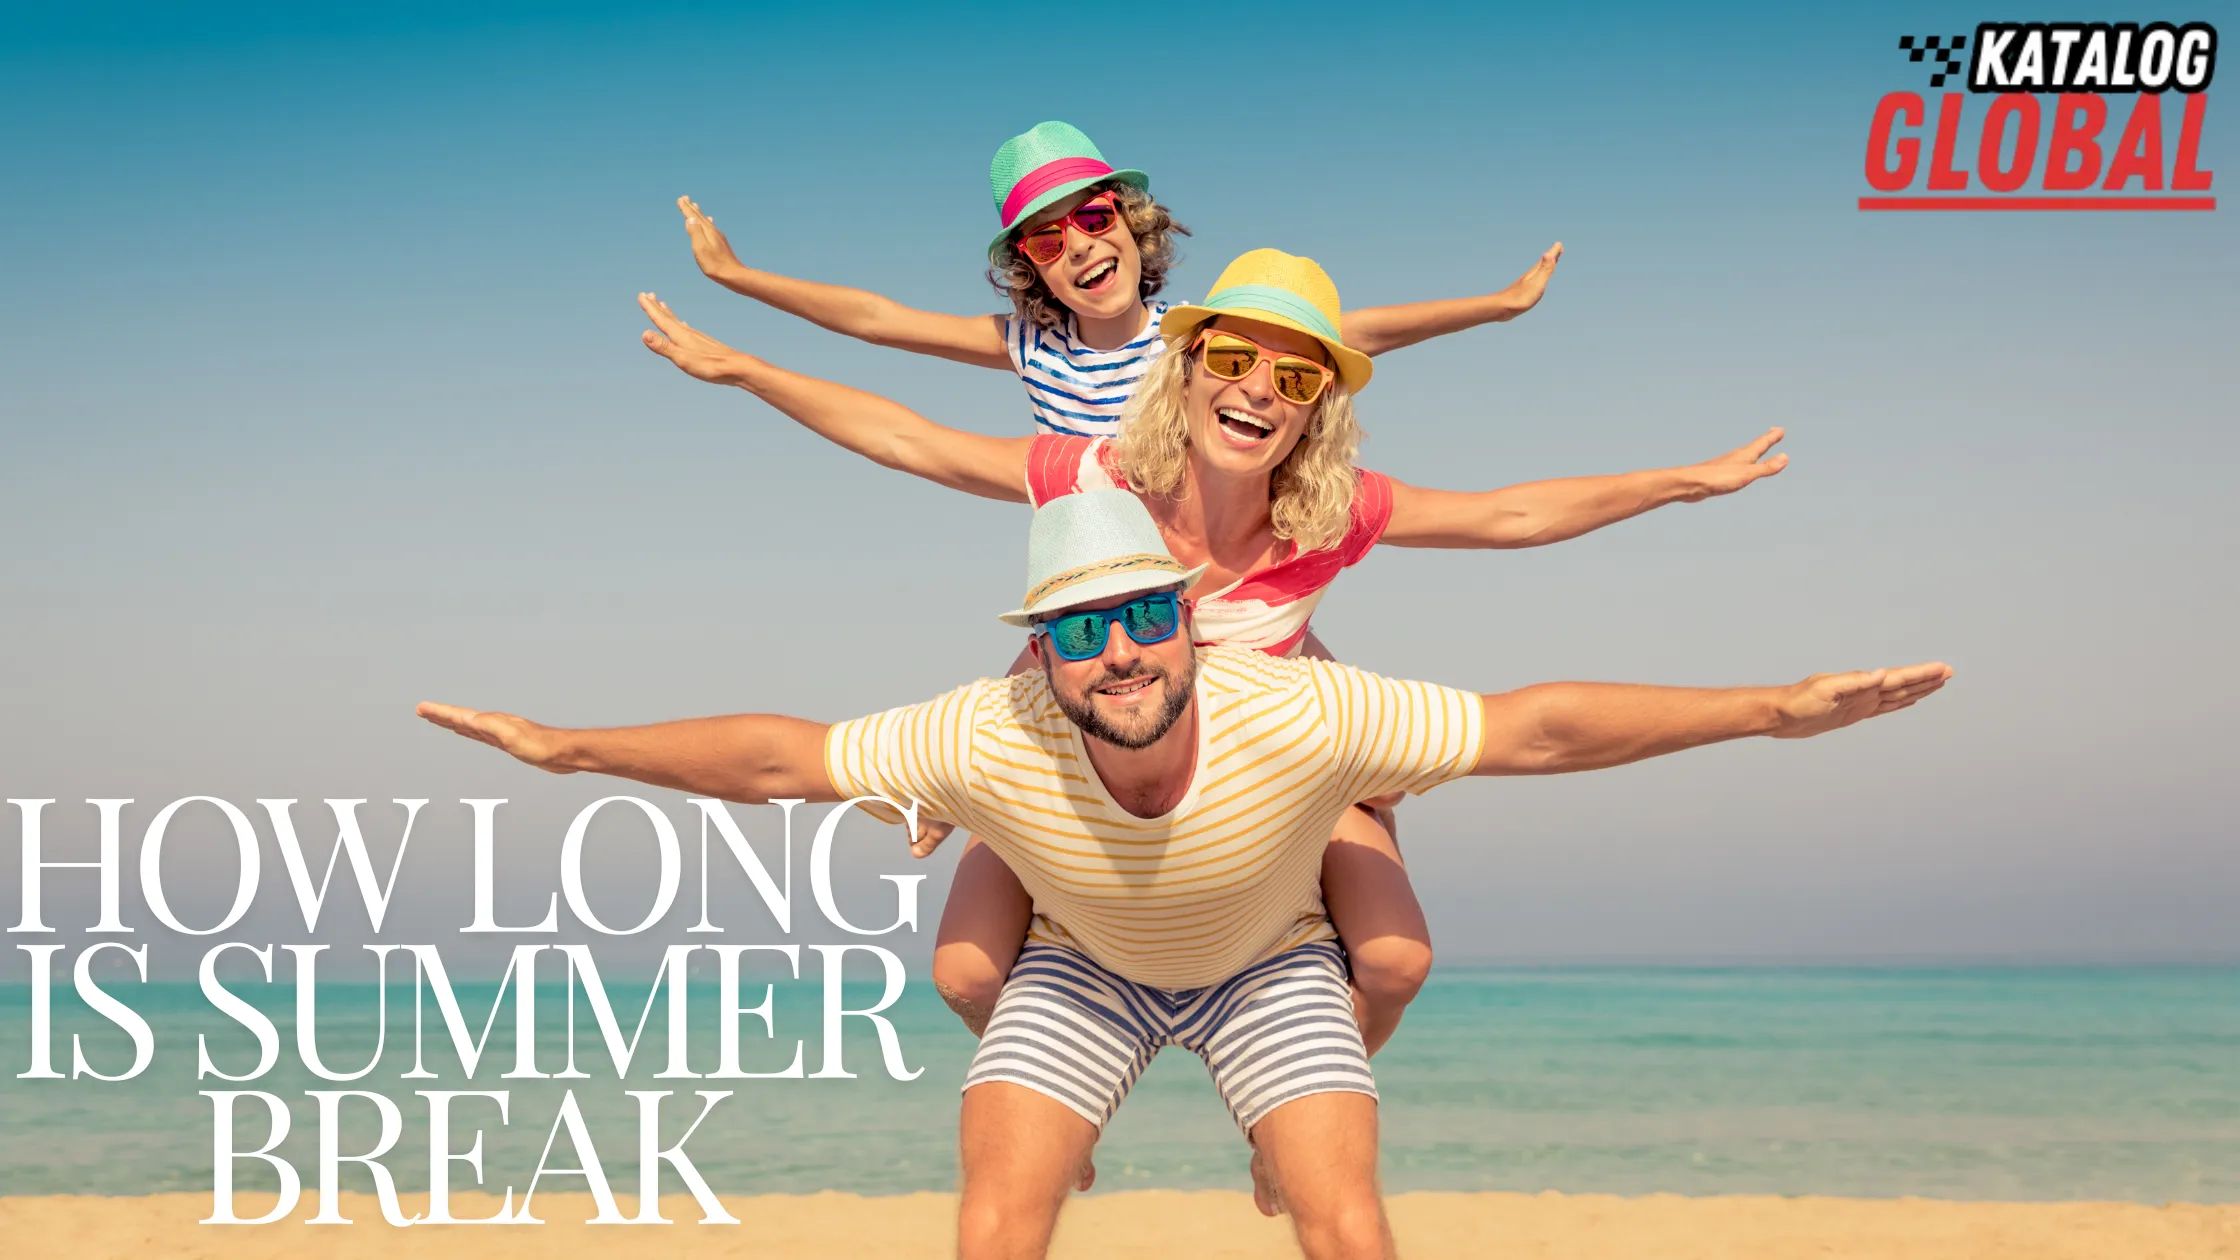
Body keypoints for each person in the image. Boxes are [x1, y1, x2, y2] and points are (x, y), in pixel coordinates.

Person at [416, 489, 1952, 1260]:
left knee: (1342, 1227)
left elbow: (1532, 730)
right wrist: (567, 751)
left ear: (1185, 616)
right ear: (1040, 654)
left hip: (1271, 960)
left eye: (1144, 616)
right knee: (996, 1227)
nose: (1121, 653)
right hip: (1083, 970)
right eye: (1078, 631)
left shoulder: (1299, 707)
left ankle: (1262, 1131)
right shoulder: (990, 729)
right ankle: (1070, 1126)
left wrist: (1770, 709)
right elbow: (780, 759)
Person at [634, 248, 1791, 1062]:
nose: (1258, 392)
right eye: (1235, 359)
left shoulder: (1329, 510)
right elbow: (907, 439)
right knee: (964, 977)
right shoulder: (1095, 479)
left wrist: (1684, 480)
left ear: (1316, 410)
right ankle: (1056, 1071)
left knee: (1392, 961)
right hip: (1100, 745)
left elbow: (1511, 518)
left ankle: (1330, 1077)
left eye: (1295, 379)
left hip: (1278, 757)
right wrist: (746, 370)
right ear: (1187, 368)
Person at [674, 120, 1564, 437]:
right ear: (1030, 269)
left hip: (1212, 565)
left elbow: (1355, 330)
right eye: (1046, 242)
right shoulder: (1031, 347)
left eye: (1094, 222)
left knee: (1365, 773)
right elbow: (876, 318)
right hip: (1097, 575)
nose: (1079, 250)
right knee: (1001, 732)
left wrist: (1498, 306)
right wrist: (742, 279)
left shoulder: (1195, 340)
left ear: (1133, 229)